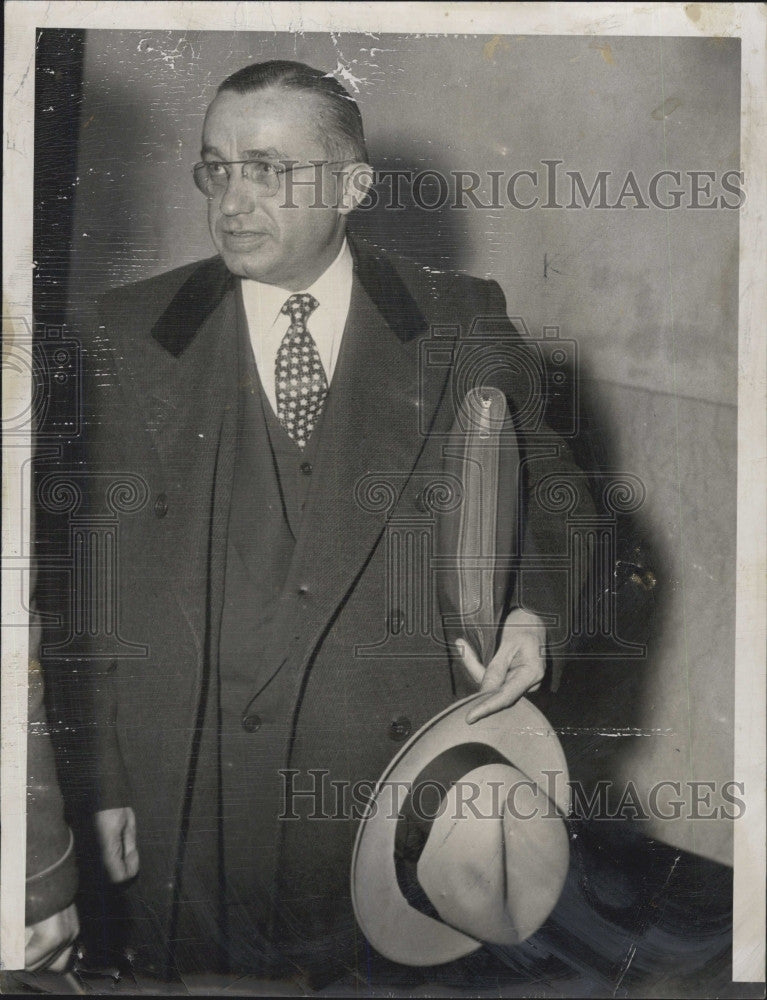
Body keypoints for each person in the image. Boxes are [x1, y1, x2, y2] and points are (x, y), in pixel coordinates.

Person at [54, 60, 596, 985]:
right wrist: (101, 785)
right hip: (193, 782)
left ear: (352, 186)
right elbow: (94, 585)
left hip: (386, 784)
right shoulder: (130, 328)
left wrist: (532, 614)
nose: (232, 198)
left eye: (268, 169)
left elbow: (555, 499)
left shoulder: (458, 318)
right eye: (215, 168)